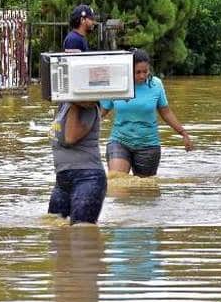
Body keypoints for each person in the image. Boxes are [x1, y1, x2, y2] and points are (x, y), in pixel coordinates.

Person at [100, 49, 193, 177]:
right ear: (128, 69)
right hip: (119, 141)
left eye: (145, 71)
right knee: (117, 182)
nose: (142, 76)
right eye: (137, 72)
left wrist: (183, 133)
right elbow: (100, 113)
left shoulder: (156, 85)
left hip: (148, 145)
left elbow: (166, 113)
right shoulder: (117, 84)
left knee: (145, 191)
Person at [48, 101, 106, 225]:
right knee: (56, 232)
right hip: (62, 180)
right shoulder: (64, 104)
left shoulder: (86, 106)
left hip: (87, 178)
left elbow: (70, 138)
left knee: (82, 233)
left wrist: (74, 105)